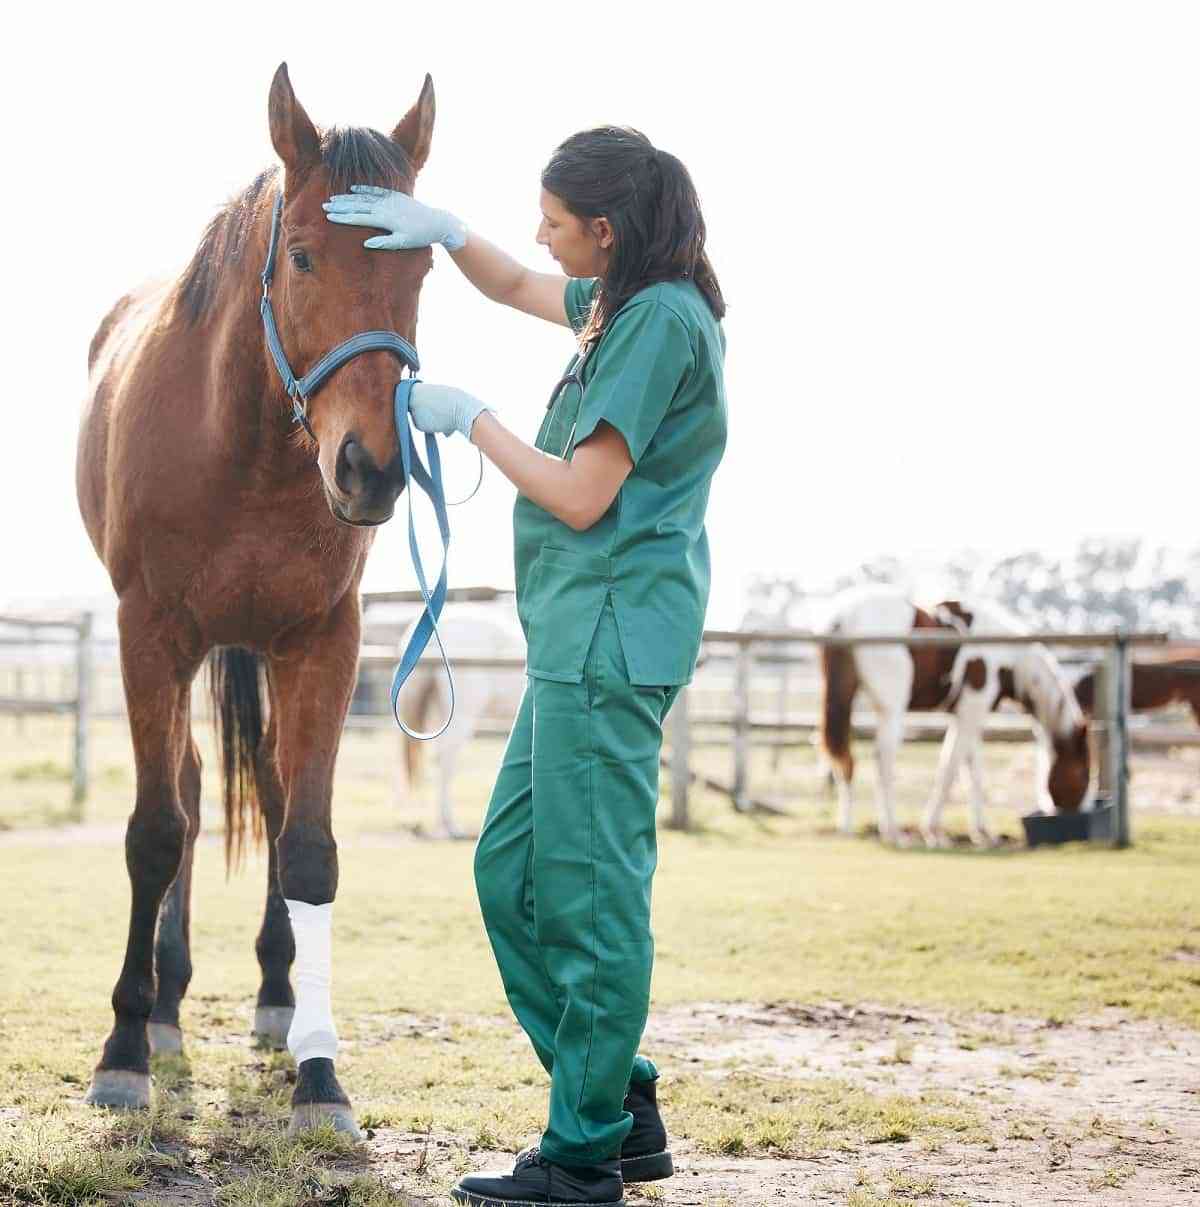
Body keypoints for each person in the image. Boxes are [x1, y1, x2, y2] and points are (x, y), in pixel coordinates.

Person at [325, 125, 727, 1207]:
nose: (539, 236)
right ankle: (621, 1099)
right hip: (573, 644)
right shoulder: (622, 303)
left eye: (555, 220)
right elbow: (512, 282)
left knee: (592, 903)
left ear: (607, 228)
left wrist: (473, 421)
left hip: (608, 643)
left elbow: (582, 493)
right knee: (509, 875)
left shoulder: (655, 325)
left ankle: (584, 1151)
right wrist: (447, 233)